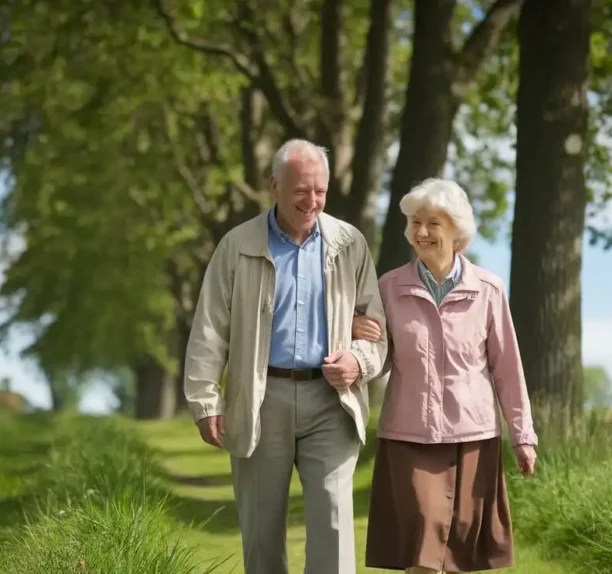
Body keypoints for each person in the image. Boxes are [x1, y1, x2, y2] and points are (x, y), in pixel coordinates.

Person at [183, 138, 388, 574]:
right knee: (261, 533)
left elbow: (378, 332)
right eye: (300, 191)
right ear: (274, 185)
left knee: (333, 526)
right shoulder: (236, 246)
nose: (311, 201)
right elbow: (209, 329)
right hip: (260, 400)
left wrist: (359, 362)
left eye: (320, 191)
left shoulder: (350, 243)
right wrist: (204, 401)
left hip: (331, 403)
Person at [354, 178, 538, 574]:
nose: (421, 232)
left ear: (458, 232)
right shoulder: (389, 287)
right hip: (409, 435)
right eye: (416, 223)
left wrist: (523, 436)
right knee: (422, 541)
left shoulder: (488, 289)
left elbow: (508, 368)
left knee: (461, 550)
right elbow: (378, 358)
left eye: (433, 224)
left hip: (473, 436)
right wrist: (356, 333)